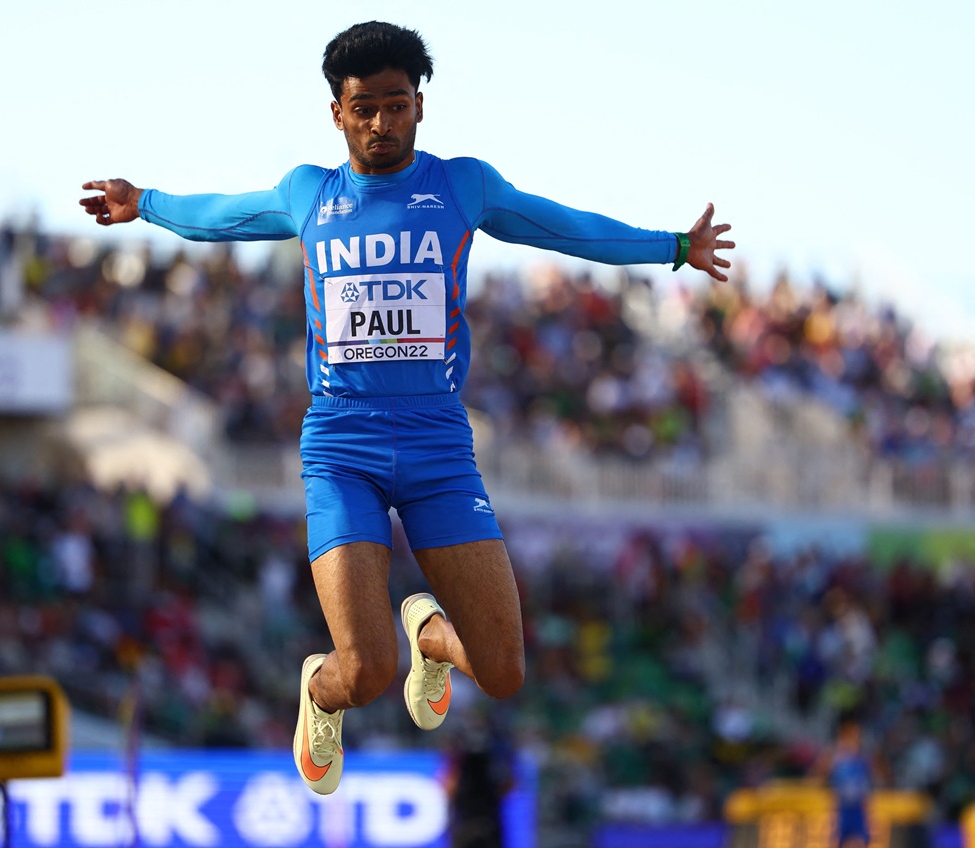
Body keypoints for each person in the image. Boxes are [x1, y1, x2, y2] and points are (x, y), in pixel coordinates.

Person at [79, 20, 734, 795]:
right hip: (341, 450)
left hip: (437, 450)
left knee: (503, 670)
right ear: (337, 114)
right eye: (364, 108)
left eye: (396, 105)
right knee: (364, 670)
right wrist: (144, 203)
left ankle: (431, 633)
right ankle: (318, 691)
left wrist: (670, 247)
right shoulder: (310, 195)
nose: (381, 123)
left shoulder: (462, 186)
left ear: (420, 106)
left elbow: (563, 226)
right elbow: (221, 214)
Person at [811, 717, 885, 848]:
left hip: (859, 807)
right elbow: (817, 776)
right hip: (841, 807)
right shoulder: (833, 755)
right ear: (843, 735)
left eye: (857, 735)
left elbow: (880, 777)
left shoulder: (865, 756)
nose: (855, 738)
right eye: (852, 735)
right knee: (839, 841)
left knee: (861, 841)